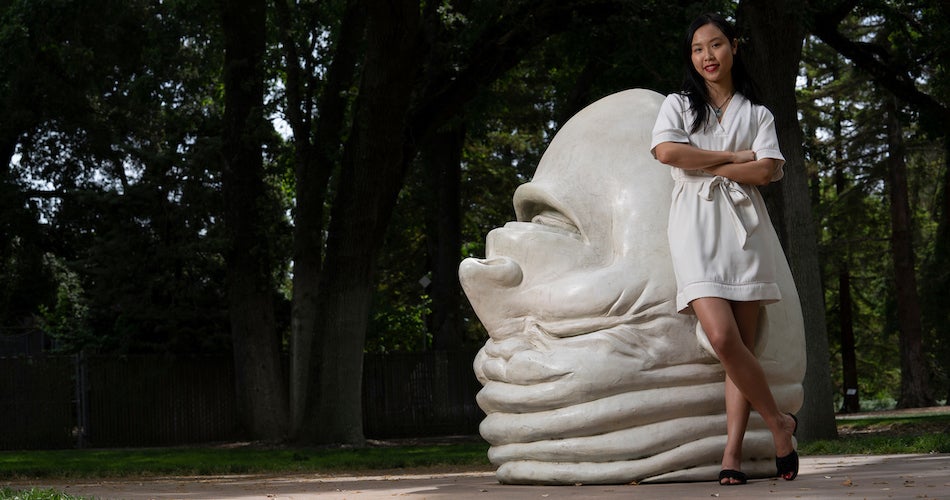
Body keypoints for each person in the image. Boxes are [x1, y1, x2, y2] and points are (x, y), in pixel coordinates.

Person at [650, 13, 799, 485]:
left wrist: (705, 164)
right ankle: (779, 423)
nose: (707, 56)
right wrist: (734, 157)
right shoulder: (677, 104)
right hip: (693, 228)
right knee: (722, 338)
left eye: (715, 45)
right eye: (697, 49)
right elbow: (668, 153)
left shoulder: (757, 114)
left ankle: (731, 454)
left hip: (744, 231)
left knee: (743, 346)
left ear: (734, 46)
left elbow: (766, 171)